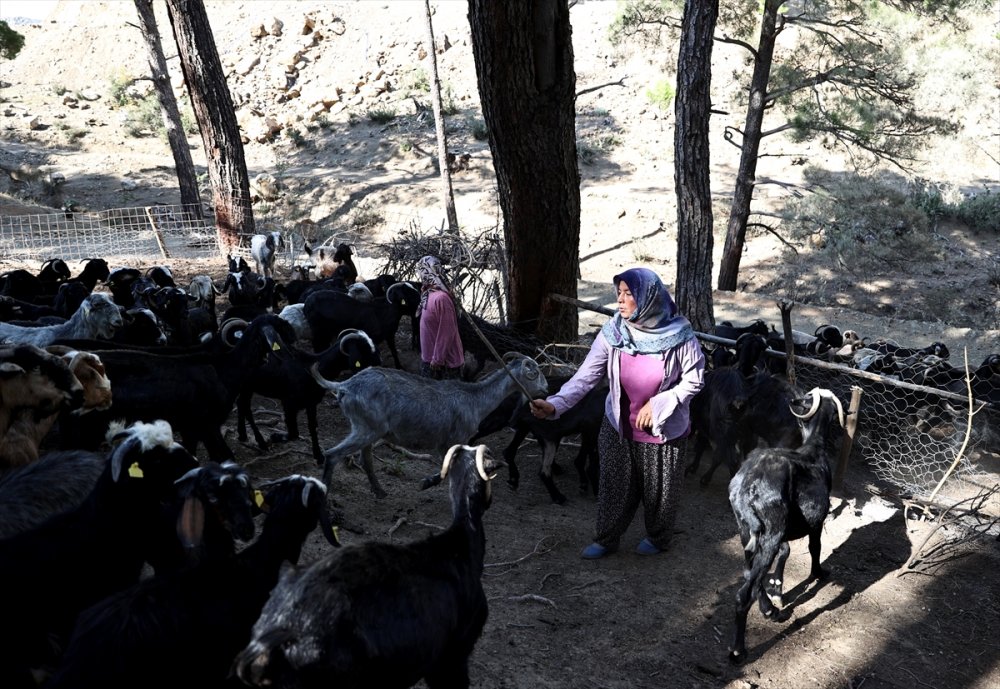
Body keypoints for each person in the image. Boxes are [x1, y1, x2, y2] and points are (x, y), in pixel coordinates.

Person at [530, 268, 705, 559]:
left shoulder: (680, 336)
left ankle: (659, 536)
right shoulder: (614, 332)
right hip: (619, 426)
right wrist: (555, 404)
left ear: (648, 297)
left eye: (628, 294)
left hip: (663, 434)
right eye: (619, 294)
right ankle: (606, 538)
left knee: (659, 493)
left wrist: (661, 403)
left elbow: (695, 380)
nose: (620, 301)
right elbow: (586, 377)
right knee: (613, 486)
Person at [416, 255, 465, 380]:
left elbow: (447, 332)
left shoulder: (441, 298)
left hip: (444, 365)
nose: (421, 274)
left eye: (422, 270)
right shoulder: (428, 294)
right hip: (431, 360)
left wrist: (437, 359)